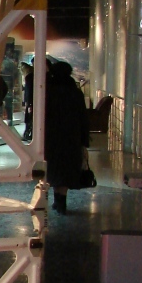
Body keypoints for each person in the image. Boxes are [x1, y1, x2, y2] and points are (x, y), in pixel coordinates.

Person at [45, 60, 90, 213]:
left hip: (51, 137)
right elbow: (83, 117)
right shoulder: (75, 93)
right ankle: (61, 200)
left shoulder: (48, 91)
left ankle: (57, 199)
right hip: (71, 137)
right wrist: (84, 140)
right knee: (66, 169)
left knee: (54, 169)